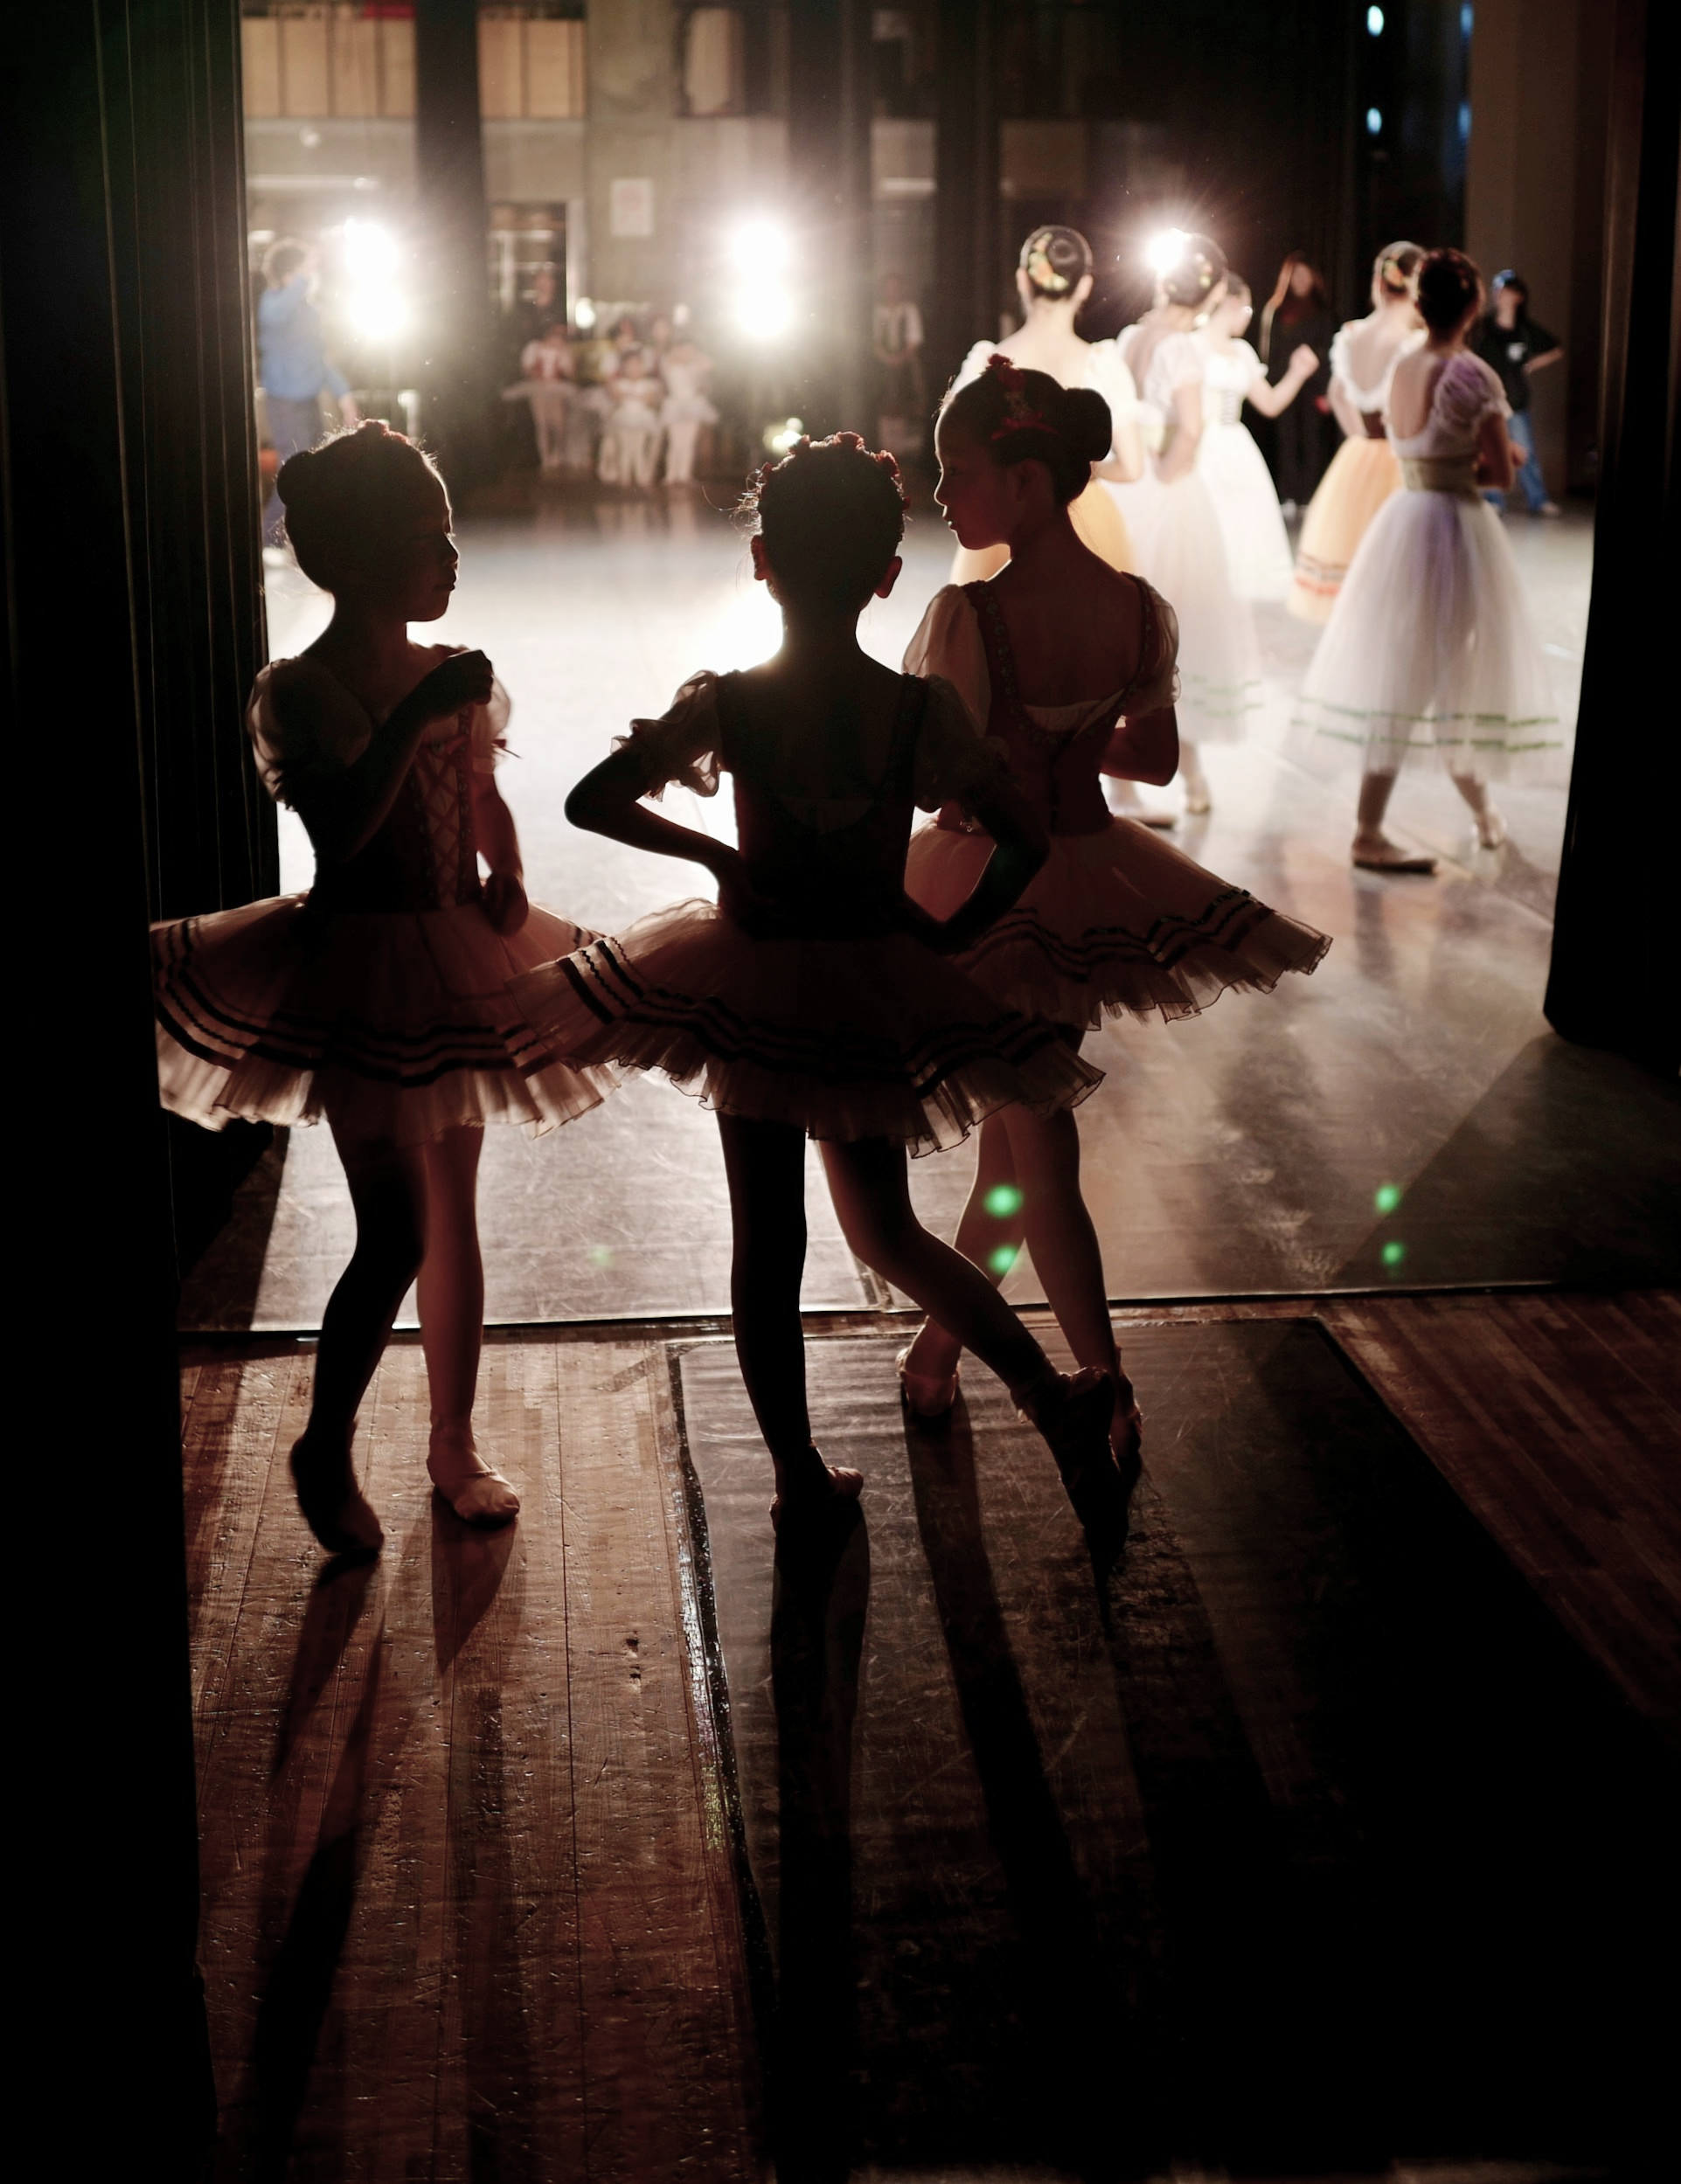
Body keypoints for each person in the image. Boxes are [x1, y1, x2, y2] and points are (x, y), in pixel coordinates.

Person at [510, 434, 1127, 1539]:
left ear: (761, 561)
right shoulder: (912, 713)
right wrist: (949, 935)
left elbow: (591, 799)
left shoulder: (735, 705)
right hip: (865, 983)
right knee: (889, 1230)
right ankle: (1050, 1400)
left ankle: (797, 1476)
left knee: (769, 1244)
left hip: (750, 989)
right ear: (888, 577)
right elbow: (1025, 841)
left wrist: (715, 860)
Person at [151, 424, 615, 1552]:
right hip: (358, 963)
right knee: (395, 1228)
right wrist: (414, 715)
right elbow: (347, 830)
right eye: (427, 536)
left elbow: (477, 784)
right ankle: (325, 1436)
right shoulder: (302, 691)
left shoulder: (448, 673)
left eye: (451, 532)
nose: (451, 556)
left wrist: (505, 871)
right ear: (356, 559)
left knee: (450, 1211)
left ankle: (451, 1437)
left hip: (455, 954)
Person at [900, 359, 1330, 1459]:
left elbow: (940, 784)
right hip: (1089, 879)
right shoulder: (1138, 613)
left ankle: (1104, 1386)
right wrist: (1076, 739)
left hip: (992, 888)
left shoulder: (971, 617)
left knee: (1036, 1154)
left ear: (1030, 484)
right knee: (1018, 1151)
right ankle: (939, 1358)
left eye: (961, 474)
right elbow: (1154, 754)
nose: (944, 495)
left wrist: (1005, 753)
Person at [1295, 250, 1565, 871]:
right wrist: (1506, 462)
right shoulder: (1470, 374)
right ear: (1471, 307)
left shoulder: (1403, 365)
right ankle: (1376, 828)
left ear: (1420, 305)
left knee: (1419, 668)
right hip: (1452, 524)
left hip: (1405, 517)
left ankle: (1476, 812)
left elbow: (1401, 443)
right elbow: (1495, 472)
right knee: (1439, 675)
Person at [1114, 232, 1258, 817]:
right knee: (1178, 638)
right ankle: (1189, 778)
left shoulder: (1130, 335)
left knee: (1132, 636)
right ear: (1212, 290)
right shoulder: (1183, 347)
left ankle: (1126, 780)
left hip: (1126, 487)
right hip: (1169, 496)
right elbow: (1193, 428)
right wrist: (1168, 477)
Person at [949, 227, 1143, 590]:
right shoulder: (1101, 362)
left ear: (1023, 280)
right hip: (1083, 519)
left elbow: (954, 448)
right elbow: (1133, 467)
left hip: (1005, 516)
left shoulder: (985, 362)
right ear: (1084, 286)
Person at [1286, 242, 1424, 624]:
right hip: (1399, 458)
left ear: (1379, 283)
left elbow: (1337, 393)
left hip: (1360, 456)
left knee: (1358, 553)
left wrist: (1358, 437)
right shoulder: (1412, 342)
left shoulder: (1352, 335)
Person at [1198, 275, 1319, 600]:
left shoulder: (1242, 351)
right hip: (1199, 443)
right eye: (1248, 307)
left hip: (1235, 446)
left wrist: (1298, 372)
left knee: (1240, 527)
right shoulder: (1190, 344)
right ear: (1234, 303)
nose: (1248, 317)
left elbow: (1270, 403)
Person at [257, 238, 358, 550]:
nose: (312, 276)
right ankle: (270, 538)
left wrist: (344, 395)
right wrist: (303, 273)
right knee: (294, 470)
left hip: (307, 399)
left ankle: (304, 538)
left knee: (315, 468)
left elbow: (318, 360)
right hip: (284, 399)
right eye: (305, 270)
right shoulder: (274, 302)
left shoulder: (309, 312)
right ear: (292, 273)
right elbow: (273, 318)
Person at [1472, 270, 1564, 515]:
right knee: (1491, 450)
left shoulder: (1524, 330)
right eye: (1498, 290)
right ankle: (1493, 500)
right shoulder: (1484, 329)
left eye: (1506, 290)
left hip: (1516, 401)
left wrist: (1532, 364)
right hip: (1490, 401)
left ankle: (1538, 499)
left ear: (1518, 296)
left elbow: (1556, 348)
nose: (1501, 295)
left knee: (1526, 452)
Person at [1258, 254, 1335, 510]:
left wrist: (1324, 389)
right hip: (1284, 386)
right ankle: (1289, 494)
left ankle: (1310, 495)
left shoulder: (1323, 311)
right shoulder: (1277, 310)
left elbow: (1329, 351)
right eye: (1297, 275)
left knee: (1312, 441)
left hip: (1313, 387)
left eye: (1306, 275)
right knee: (1286, 441)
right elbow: (1270, 352)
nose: (1301, 281)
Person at [872, 271, 927, 455]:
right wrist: (886, 358)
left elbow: (914, 339)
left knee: (903, 405)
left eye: (895, 287)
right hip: (882, 366)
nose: (892, 292)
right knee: (884, 404)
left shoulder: (908, 310)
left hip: (905, 365)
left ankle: (902, 451)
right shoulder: (878, 311)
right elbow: (875, 340)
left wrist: (900, 358)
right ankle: (885, 448)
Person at [659, 330, 719, 485]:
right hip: (674, 404)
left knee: (689, 442)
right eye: (683, 348)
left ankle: (684, 474)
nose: (686, 352)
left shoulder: (695, 365)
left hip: (693, 404)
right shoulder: (668, 363)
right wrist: (676, 352)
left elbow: (710, 364)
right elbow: (665, 366)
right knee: (675, 442)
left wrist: (694, 354)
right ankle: (671, 474)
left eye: (689, 349)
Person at [599, 347, 664, 487]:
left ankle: (642, 476)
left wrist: (641, 396)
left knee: (639, 447)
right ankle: (625, 477)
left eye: (638, 365)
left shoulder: (649, 384)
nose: (634, 369)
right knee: (625, 448)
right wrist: (622, 393)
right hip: (623, 418)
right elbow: (615, 396)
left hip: (642, 419)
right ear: (624, 368)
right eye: (630, 366)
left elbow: (652, 400)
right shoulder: (620, 384)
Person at [517, 321, 575, 474]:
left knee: (559, 423)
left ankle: (557, 453)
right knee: (541, 424)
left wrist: (566, 354)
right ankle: (545, 458)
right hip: (538, 388)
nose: (559, 340)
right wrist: (538, 375)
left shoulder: (562, 351)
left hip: (556, 389)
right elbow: (525, 368)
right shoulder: (534, 347)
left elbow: (569, 372)